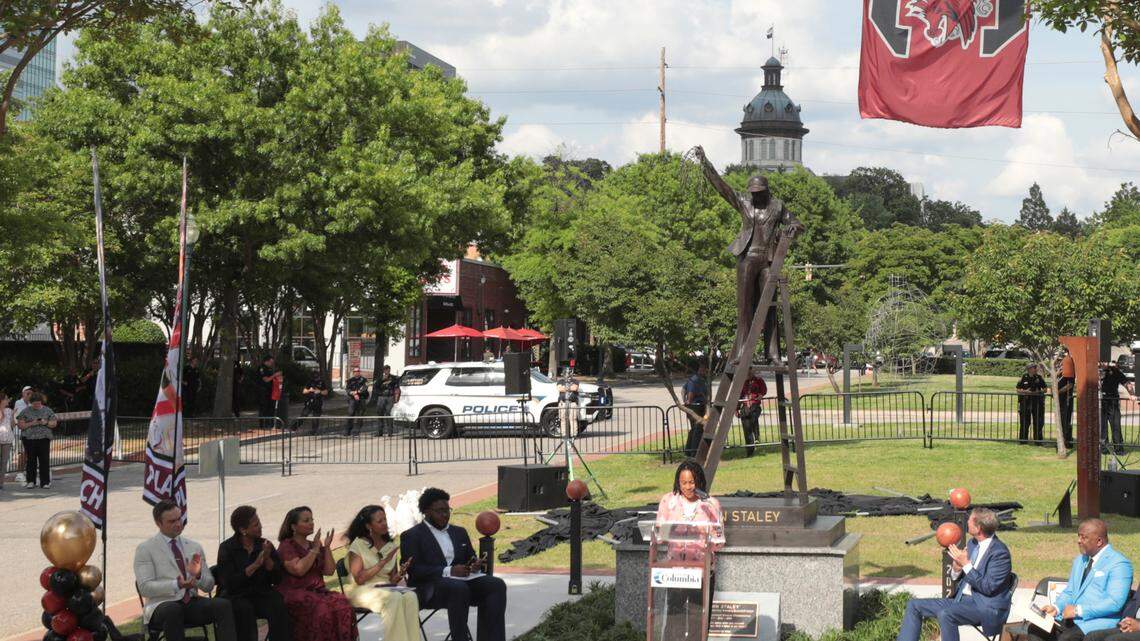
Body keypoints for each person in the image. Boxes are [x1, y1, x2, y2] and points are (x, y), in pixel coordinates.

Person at [693, 145, 804, 368]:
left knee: (770, 307)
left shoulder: (778, 206)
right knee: (745, 307)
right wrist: (705, 163)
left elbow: (796, 222)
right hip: (747, 257)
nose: (755, 196)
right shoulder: (744, 202)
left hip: (767, 260)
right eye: (752, 193)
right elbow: (722, 187)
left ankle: (772, 354)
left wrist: (793, 228)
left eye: (758, 193)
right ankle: (742, 352)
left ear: (766, 191)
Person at [400, 487, 507, 641]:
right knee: (457, 588)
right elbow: (415, 570)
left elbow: (470, 557)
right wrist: (449, 571)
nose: (445, 514)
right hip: (430, 589)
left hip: (463, 584)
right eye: (439, 511)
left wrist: (474, 565)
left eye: (447, 510)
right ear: (426, 511)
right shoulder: (412, 536)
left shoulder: (459, 532)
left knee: (496, 585)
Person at [895, 508, 1013, 641]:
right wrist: (956, 568)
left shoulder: (1000, 553)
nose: (967, 521)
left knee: (946, 614)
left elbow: (988, 587)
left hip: (985, 606)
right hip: (961, 600)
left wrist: (966, 565)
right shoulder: (973, 543)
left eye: (970, 519)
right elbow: (959, 576)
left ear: (978, 528)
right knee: (914, 605)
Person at [134, 500, 236, 641]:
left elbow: (209, 586)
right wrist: (177, 584)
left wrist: (199, 576)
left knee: (222, 605)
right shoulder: (146, 549)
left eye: (179, 519)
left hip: (190, 602)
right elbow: (145, 588)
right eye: (171, 521)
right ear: (158, 523)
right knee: (173, 610)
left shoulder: (193, 547)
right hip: (161, 605)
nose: (178, 524)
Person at [653, 461, 724, 641]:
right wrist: (668, 531)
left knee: (697, 616)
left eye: (691, 482)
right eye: (683, 482)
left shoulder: (710, 504)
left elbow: (719, 540)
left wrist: (704, 533)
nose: (687, 487)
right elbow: (658, 534)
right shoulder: (668, 501)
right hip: (675, 570)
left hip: (701, 570)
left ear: (699, 481)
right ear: (678, 482)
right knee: (674, 614)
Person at [1036, 519, 1133, 641]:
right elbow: (1070, 591)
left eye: (1084, 538)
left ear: (1099, 541)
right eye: (1078, 536)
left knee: (1067, 638)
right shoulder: (1080, 560)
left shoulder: (1119, 564)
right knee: (1036, 629)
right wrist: (1056, 608)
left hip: (1097, 622)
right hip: (1071, 619)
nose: (1078, 541)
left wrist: (1078, 610)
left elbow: (1114, 603)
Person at [276, 506, 357, 641]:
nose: (311, 523)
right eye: (306, 520)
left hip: (318, 591)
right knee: (322, 609)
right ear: (293, 527)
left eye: (312, 519)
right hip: (296, 592)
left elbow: (329, 571)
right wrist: (314, 550)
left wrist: (326, 547)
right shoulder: (287, 546)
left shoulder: (313, 544)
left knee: (343, 604)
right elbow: (299, 570)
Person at [215, 506, 291, 641]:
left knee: (278, 603)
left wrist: (267, 560)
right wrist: (255, 565)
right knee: (244, 609)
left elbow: (277, 578)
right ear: (243, 530)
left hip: (260, 592)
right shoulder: (227, 548)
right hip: (235, 595)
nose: (260, 527)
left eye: (259, 522)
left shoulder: (264, 545)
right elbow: (229, 583)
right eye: (256, 525)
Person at [345, 505, 419, 641]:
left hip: (386, 588)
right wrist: (382, 563)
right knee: (394, 598)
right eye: (380, 521)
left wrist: (400, 574)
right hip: (361, 590)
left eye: (385, 519)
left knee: (410, 596)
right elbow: (359, 579)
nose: (385, 523)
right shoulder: (358, 545)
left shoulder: (390, 546)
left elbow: (391, 580)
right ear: (369, 526)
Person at [16, 392, 57, 489]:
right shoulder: (25, 411)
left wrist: (45, 422)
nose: (36, 405)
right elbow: (21, 425)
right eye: (34, 403)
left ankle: (45, 482)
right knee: (31, 460)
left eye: (38, 403)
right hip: (29, 439)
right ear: (31, 402)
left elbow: (54, 423)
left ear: (41, 402)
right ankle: (31, 481)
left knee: (44, 460)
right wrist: (32, 423)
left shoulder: (48, 410)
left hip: (44, 438)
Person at [1101, 363, 1135, 455]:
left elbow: (1127, 383)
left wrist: (1131, 394)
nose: (1102, 364)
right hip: (1100, 401)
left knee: (1116, 425)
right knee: (1102, 426)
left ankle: (1118, 448)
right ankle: (1104, 448)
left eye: (1104, 362)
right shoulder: (1095, 370)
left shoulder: (1115, 371)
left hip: (1113, 401)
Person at [737, 368, 767, 457]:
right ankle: (750, 450)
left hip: (755, 404)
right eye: (747, 372)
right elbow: (739, 395)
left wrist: (760, 396)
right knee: (746, 428)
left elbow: (764, 390)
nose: (749, 373)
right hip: (745, 406)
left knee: (753, 417)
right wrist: (736, 409)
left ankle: (756, 436)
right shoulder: (743, 382)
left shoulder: (758, 380)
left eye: (750, 371)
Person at [1016, 363, 1048, 445]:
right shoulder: (1024, 377)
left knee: (1038, 422)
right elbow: (1017, 389)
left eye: (1035, 367)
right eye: (1034, 368)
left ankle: (1038, 441)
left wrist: (1039, 392)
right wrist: (1025, 391)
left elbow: (1045, 389)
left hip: (1037, 403)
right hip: (1025, 403)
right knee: (1024, 422)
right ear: (1029, 369)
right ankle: (1023, 441)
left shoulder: (1039, 378)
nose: (1036, 369)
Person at [682, 365, 709, 457]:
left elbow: (683, 389)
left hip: (698, 406)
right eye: (703, 369)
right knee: (697, 429)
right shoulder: (696, 379)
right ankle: (694, 452)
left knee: (694, 429)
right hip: (695, 406)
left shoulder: (701, 379)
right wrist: (687, 402)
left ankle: (689, 450)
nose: (705, 371)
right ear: (700, 369)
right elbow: (689, 392)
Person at [373, 366, 400, 436]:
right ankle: (380, 432)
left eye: (388, 370)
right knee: (380, 414)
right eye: (385, 370)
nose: (386, 371)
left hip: (390, 397)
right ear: (383, 371)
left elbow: (397, 386)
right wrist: (381, 381)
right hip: (381, 397)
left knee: (388, 413)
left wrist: (396, 397)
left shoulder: (393, 377)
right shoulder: (379, 378)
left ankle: (390, 432)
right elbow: (375, 388)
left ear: (389, 370)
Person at [257, 356, 282, 430]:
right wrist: (275, 375)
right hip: (263, 391)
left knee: (270, 408)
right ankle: (263, 425)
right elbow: (266, 380)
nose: (272, 364)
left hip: (269, 391)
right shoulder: (262, 368)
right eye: (271, 362)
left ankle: (269, 424)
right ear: (266, 361)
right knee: (263, 408)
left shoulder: (269, 369)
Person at [1058, 352, 1076, 449]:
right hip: (1060, 401)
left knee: (1066, 421)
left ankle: (1067, 440)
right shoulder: (1061, 374)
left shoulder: (1069, 375)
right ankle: (1061, 440)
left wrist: (1058, 392)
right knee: (1061, 421)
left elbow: (1070, 385)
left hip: (1066, 400)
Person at [344, 368, 369, 436]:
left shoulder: (364, 380)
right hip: (352, 399)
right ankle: (348, 431)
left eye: (358, 371)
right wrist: (353, 393)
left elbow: (365, 388)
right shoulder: (350, 380)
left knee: (360, 416)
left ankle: (357, 431)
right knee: (350, 414)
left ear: (359, 372)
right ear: (353, 372)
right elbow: (347, 389)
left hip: (361, 399)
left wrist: (357, 392)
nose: (356, 372)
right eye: (355, 371)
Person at [557, 369, 581, 436]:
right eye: (566, 373)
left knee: (573, 419)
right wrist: (569, 388)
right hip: (563, 403)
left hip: (572, 403)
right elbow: (559, 388)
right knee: (563, 419)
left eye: (569, 373)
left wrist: (565, 388)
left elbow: (575, 388)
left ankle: (573, 435)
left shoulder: (575, 381)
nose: (568, 375)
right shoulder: (560, 381)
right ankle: (564, 435)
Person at [0, 392, 14, 490]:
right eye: (6, 398)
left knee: (4, 462)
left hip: (7, 438)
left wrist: (13, 416)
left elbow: (13, 425)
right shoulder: (4, 411)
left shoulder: (9, 410)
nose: (8, 400)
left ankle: (1, 483)